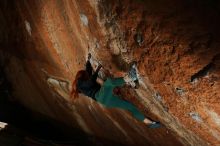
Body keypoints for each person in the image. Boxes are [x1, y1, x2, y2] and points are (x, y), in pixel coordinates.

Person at [70, 54, 161, 128]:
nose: (87, 75)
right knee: (108, 82)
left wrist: (88, 61)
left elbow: (88, 72)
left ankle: (150, 123)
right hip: (100, 96)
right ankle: (131, 77)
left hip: (106, 101)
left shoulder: (82, 84)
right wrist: (97, 70)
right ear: (80, 76)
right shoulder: (79, 83)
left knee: (130, 106)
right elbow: (90, 82)